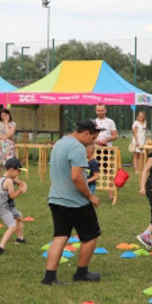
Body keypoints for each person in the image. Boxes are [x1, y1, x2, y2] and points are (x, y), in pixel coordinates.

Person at [42, 120, 101, 285]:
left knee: (60, 236)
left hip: (55, 198)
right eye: (93, 138)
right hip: (75, 202)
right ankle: (82, 273)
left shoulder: (60, 143)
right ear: (86, 133)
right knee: (91, 235)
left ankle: (49, 276)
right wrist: (90, 196)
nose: (93, 141)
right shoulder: (77, 147)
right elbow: (76, 177)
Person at [0, 157, 27, 256]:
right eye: (18, 171)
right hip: (3, 209)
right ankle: (0, 247)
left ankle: (20, 239)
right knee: (12, 226)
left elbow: (21, 182)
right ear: (11, 170)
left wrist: (23, 185)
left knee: (20, 216)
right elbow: (12, 196)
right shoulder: (8, 181)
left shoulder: (8, 178)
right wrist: (20, 190)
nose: (19, 174)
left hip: (9, 208)